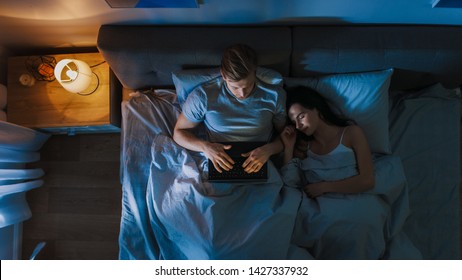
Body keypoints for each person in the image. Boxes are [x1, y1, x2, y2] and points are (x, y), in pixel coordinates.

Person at [173, 44, 286, 174]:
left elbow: (284, 135)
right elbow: (179, 133)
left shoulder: (275, 95)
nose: (243, 94)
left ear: (255, 71)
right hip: (217, 161)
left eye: (248, 85)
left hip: (260, 161)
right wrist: (205, 147)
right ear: (223, 75)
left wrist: (268, 150)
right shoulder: (203, 96)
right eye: (235, 87)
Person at [280, 85, 375, 198]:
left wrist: (324, 187)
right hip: (320, 208)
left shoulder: (351, 133)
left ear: (317, 108)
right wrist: (289, 148)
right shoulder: (305, 146)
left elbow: (367, 181)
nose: (298, 126)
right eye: (293, 121)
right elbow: (291, 184)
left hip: (353, 202)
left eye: (301, 117)